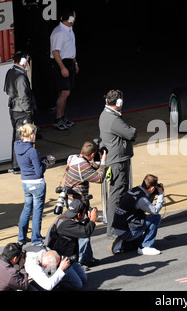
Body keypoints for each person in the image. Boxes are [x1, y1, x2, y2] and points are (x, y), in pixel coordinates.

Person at [99, 89, 137, 238]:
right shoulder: (113, 119)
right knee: (117, 195)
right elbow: (131, 133)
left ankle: (118, 225)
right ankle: (114, 229)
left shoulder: (106, 115)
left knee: (119, 194)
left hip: (115, 160)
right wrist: (132, 130)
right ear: (119, 102)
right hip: (118, 162)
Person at [64, 141, 107, 267]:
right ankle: (80, 262)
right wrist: (103, 161)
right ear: (93, 154)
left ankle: (88, 258)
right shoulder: (83, 167)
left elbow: (89, 167)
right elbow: (99, 178)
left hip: (74, 200)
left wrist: (95, 161)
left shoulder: (74, 158)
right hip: (78, 204)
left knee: (85, 227)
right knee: (83, 231)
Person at [14, 123, 55, 245]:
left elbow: (29, 161)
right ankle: (36, 239)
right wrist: (46, 163)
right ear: (32, 135)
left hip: (25, 182)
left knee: (27, 208)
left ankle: (21, 237)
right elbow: (39, 172)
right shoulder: (32, 151)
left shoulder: (17, 146)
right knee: (37, 212)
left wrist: (40, 159)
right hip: (37, 184)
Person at [46, 199, 97, 290]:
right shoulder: (65, 225)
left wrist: (88, 220)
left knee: (84, 279)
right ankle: (55, 280)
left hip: (69, 259)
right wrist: (92, 220)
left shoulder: (67, 218)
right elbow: (85, 232)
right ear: (79, 214)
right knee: (78, 285)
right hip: (59, 262)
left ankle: (60, 275)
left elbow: (79, 228)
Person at [110, 174, 164, 256]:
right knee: (156, 217)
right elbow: (155, 211)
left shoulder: (133, 190)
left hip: (119, 227)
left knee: (141, 239)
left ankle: (123, 245)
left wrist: (153, 193)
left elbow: (145, 205)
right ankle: (146, 247)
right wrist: (160, 194)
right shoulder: (141, 199)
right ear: (152, 188)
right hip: (127, 231)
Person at [4, 51, 37, 174]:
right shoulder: (21, 76)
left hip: (13, 109)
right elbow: (24, 97)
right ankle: (19, 165)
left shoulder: (10, 72)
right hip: (22, 111)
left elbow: (7, 90)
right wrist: (29, 111)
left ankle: (17, 164)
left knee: (17, 137)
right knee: (23, 137)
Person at [50, 8, 79, 130]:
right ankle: (57, 118)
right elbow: (55, 52)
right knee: (65, 92)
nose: (75, 19)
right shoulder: (59, 32)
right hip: (61, 63)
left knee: (66, 92)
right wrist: (62, 67)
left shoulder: (69, 30)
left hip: (69, 62)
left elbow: (71, 49)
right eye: (74, 17)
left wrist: (75, 63)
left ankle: (62, 117)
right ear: (70, 18)